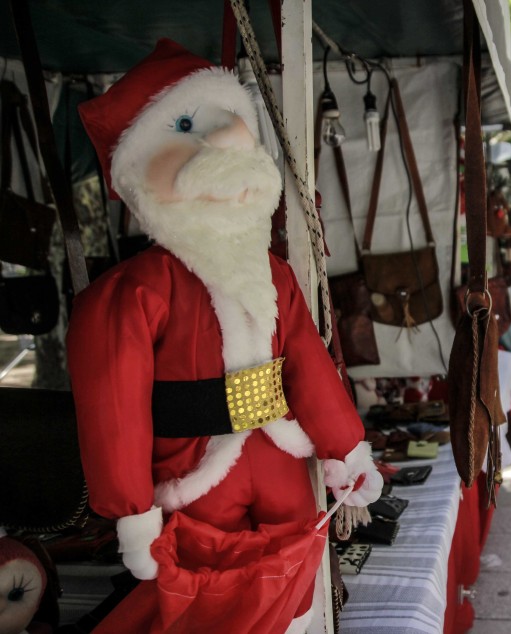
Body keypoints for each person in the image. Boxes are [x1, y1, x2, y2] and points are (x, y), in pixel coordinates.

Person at [68, 40, 381, 631]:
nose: (233, 136)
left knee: (295, 587)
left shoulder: (274, 273)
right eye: (186, 125)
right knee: (209, 599)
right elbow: (115, 411)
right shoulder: (134, 291)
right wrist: (132, 510)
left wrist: (345, 448)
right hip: (193, 477)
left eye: (232, 118)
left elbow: (307, 364)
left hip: (283, 459)